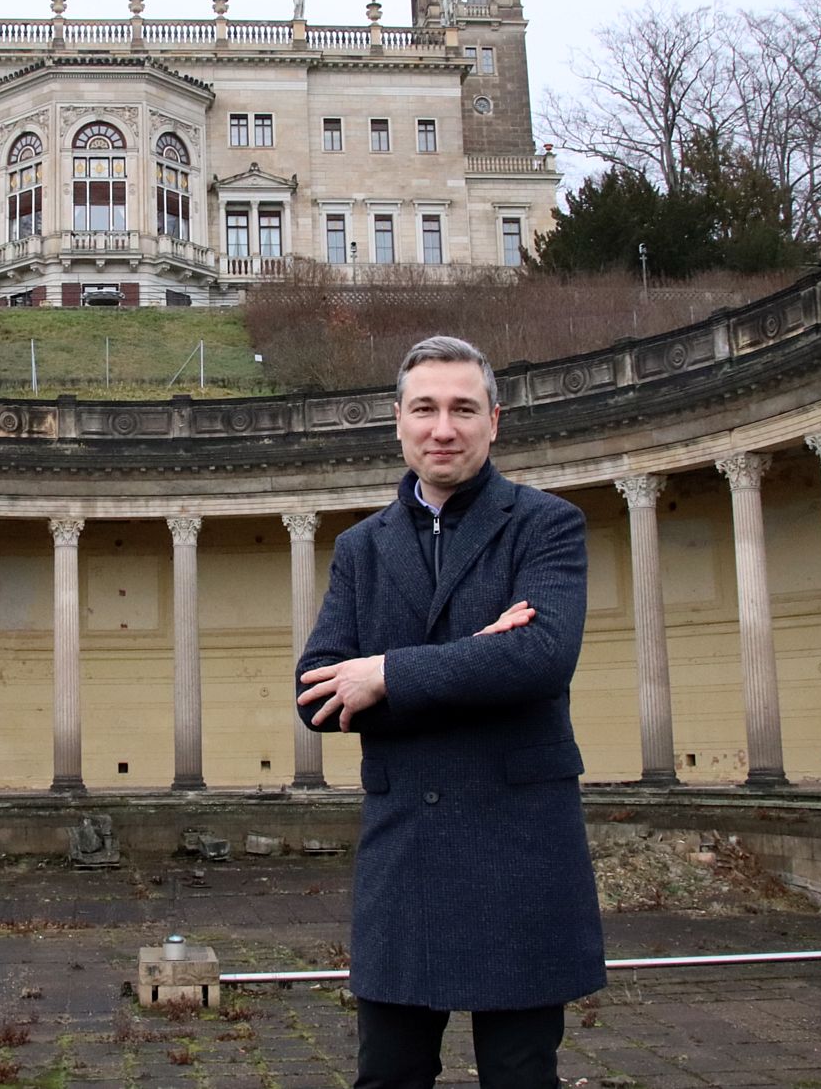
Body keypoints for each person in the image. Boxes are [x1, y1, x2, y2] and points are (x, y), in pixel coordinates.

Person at [296, 335, 606, 1089]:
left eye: (463, 408)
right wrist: (478, 657)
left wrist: (387, 673)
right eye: (426, 408)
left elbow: (541, 657)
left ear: (493, 421)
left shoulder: (547, 524)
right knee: (388, 1076)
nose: (444, 427)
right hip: (407, 852)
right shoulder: (359, 548)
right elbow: (316, 691)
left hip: (521, 849)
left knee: (521, 1075)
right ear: (397, 421)